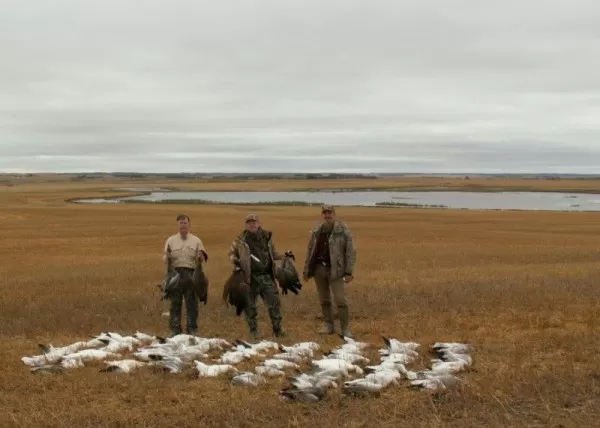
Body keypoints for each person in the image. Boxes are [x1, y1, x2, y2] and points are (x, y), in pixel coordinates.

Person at [228, 213, 291, 339]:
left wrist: (284, 256)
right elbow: (231, 253)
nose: (251, 224)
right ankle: (253, 332)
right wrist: (234, 259)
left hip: (267, 276)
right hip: (249, 278)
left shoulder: (267, 237)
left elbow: (273, 253)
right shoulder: (240, 240)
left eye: (254, 222)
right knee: (250, 306)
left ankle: (278, 330)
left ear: (258, 223)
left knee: (274, 304)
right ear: (246, 225)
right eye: (249, 223)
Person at [302, 205, 356, 337]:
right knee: (324, 300)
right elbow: (310, 250)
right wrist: (307, 270)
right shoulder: (317, 231)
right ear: (322, 215)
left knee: (340, 300)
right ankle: (328, 325)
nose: (327, 216)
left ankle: (345, 329)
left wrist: (348, 272)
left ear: (334, 214)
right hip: (319, 269)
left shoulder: (343, 231)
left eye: (329, 213)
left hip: (336, 271)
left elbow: (350, 252)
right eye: (325, 213)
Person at [162, 213, 207, 336]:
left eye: (185, 223)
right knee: (175, 304)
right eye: (181, 223)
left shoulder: (196, 240)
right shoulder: (170, 240)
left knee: (192, 304)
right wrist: (167, 257)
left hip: (191, 275)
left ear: (189, 224)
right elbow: (165, 258)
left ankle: (192, 329)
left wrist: (200, 256)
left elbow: (203, 257)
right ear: (177, 225)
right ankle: (175, 330)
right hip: (175, 274)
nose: (183, 225)